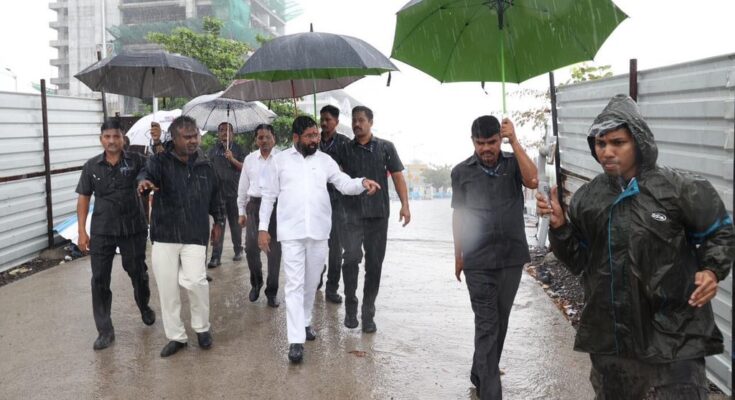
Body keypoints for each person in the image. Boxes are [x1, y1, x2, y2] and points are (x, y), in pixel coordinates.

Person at [536, 94, 734, 399]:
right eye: (601, 144)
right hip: (613, 335)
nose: (607, 152)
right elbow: (579, 261)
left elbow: (719, 230)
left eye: (618, 142)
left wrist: (711, 269)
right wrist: (560, 226)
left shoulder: (680, 189)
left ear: (638, 143)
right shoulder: (589, 199)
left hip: (674, 332)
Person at [257, 116, 381, 363]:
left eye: (316, 135)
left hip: (319, 231)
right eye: (310, 136)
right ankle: (295, 341)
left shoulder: (325, 161)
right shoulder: (279, 161)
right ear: (295, 138)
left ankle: (304, 322)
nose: (315, 139)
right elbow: (268, 196)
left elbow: (343, 183)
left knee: (311, 283)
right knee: (293, 284)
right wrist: (262, 228)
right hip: (291, 232)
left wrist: (361, 183)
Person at [451, 116, 538, 399]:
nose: (486, 149)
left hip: (511, 256)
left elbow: (533, 180)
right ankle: (491, 392)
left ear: (499, 140)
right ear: (472, 141)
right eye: (480, 143)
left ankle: (480, 371)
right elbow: (459, 215)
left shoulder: (513, 164)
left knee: (500, 321)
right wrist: (458, 255)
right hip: (478, 260)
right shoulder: (461, 172)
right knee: (487, 325)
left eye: (491, 142)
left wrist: (514, 140)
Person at [137, 115, 225, 358]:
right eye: (187, 137)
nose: (193, 140)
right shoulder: (159, 162)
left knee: (196, 282)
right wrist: (144, 183)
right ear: (174, 138)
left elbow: (216, 196)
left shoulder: (206, 164)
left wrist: (218, 222)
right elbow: (145, 176)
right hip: (165, 234)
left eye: (195, 135)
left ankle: (202, 328)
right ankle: (176, 336)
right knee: (167, 289)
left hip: (195, 234)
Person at [76, 119, 156, 350]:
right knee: (100, 279)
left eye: (116, 137)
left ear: (123, 138)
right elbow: (83, 198)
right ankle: (105, 330)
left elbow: (151, 175)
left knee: (137, 272)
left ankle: (144, 305)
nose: (112, 141)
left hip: (133, 228)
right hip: (102, 230)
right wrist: (82, 231)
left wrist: (146, 182)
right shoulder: (91, 166)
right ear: (101, 139)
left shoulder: (138, 160)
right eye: (107, 137)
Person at [333, 105, 410, 333]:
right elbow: (335, 175)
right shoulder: (345, 149)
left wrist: (405, 205)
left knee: (374, 265)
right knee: (350, 260)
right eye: (354, 121)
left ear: (370, 122)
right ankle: (350, 306)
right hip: (351, 215)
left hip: (378, 215)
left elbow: (397, 176)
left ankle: (368, 312)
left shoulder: (386, 147)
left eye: (361, 120)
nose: (357, 124)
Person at [237, 124, 281, 308]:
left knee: (274, 253)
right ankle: (256, 282)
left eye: (267, 137)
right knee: (250, 249)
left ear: (274, 139)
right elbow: (242, 187)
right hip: (254, 206)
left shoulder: (282, 159)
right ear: (256, 140)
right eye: (260, 137)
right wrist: (241, 211)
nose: (264, 141)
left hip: (277, 208)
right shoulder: (249, 159)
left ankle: (272, 292)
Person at [317, 105, 352, 304]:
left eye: (328, 119)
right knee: (316, 243)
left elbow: (351, 171)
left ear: (336, 122)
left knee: (335, 247)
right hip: (317, 201)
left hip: (338, 203)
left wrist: (339, 170)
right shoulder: (313, 141)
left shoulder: (345, 144)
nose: (324, 123)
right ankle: (316, 275)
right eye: (322, 119)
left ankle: (332, 288)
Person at [207, 122, 245, 268]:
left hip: (235, 192)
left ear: (233, 134)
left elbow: (245, 168)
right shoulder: (212, 151)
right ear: (218, 134)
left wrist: (232, 159)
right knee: (218, 224)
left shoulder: (239, 149)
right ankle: (216, 257)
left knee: (236, 225)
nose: (224, 133)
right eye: (221, 130)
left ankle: (238, 249)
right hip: (218, 194)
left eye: (227, 130)